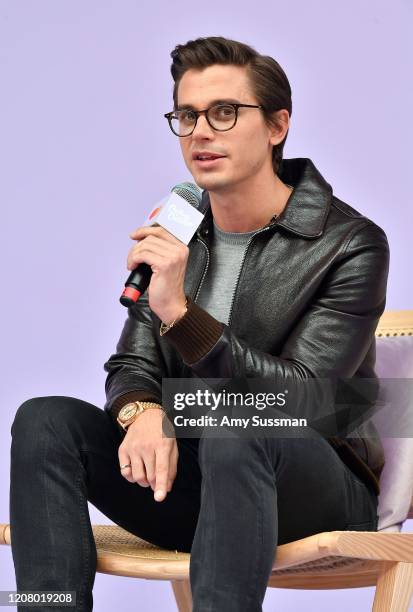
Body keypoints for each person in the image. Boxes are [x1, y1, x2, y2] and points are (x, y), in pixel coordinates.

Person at [10, 36, 390, 612]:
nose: (200, 132)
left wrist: (181, 320)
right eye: (187, 116)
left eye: (224, 112)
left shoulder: (348, 244)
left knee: (238, 427)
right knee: (44, 421)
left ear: (277, 125)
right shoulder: (179, 228)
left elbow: (308, 401)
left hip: (314, 487)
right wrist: (143, 411)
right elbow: (131, 366)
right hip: (194, 488)